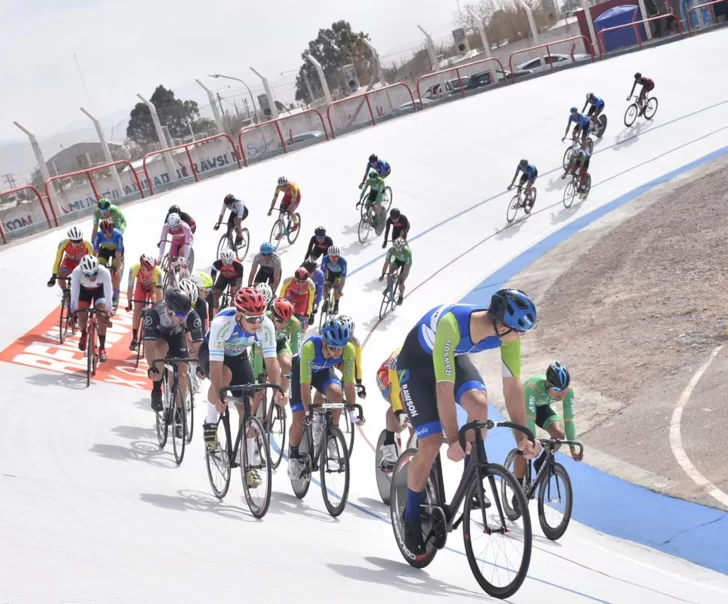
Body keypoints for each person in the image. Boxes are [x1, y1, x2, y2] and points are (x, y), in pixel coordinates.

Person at [394, 288, 541, 557]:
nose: (520, 337)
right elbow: (443, 389)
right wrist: (452, 439)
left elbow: (512, 386)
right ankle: (411, 514)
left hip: (450, 360)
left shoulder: (507, 336)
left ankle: (471, 479)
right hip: (415, 367)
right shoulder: (452, 325)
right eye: (518, 330)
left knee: (480, 405)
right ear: (500, 323)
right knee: (432, 442)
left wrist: (523, 436)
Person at [199, 288, 282, 486]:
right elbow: (217, 366)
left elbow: (272, 362)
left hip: (239, 356)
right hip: (214, 355)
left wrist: (280, 391)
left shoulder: (265, 325)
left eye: (259, 318)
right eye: (251, 319)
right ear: (238, 314)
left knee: (249, 411)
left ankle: (250, 466)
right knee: (224, 378)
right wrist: (220, 399)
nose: (257, 323)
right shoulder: (222, 323)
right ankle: (210, 424)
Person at [287, 317, 362, 480]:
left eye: (340, 348)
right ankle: (293, 456)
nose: (337, 352)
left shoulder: (349, 350)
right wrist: (308, 413)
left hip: (323, 372)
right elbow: (305, 385)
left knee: (336, 392)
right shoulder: (309, 347)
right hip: (301, 374)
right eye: (333, 347)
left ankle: (331, 434)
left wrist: (352, 411)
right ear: (324, 341)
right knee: (299, 419)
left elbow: (349, 383)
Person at [515, 361, 582, 485]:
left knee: (559, 434)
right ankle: (517, 487)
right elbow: (529, 418)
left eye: (564, 388)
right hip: (522, 407)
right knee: (524, 446)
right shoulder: (533, 387)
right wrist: (532, 442)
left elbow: (569, 420)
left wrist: (573, 447)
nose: (561, 393)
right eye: (556, 389)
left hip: (541, 407)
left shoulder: (568, 392)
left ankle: (541, 462)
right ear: (548, 384)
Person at [143, 287, 204, 414]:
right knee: (160, 350)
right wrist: (151, 367)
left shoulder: (192, 315)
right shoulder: (154, 314)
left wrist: (200, 366)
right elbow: (149, 344)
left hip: (177, 336)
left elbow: (198, 344)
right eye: (180, 315)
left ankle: (180, 413)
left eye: (185, 314)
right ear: (169, 311)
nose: (184, 318)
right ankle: (156, 391)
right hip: (159, 337)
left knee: (182, 371)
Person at [252, 297, 301, 404]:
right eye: (280, 321)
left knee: (287, 364)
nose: (284, 325)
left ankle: (280, 397)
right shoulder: (263, 321)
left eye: (287, 321)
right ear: (272, 317)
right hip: (261, 348)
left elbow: (295, 353)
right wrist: (259, 375)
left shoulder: (295, 324)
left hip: (280, 345)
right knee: (258, 389)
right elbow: (258, 352)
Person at [70, 255, 113, 361]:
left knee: (101, 316)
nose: (92, 276)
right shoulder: (76, 272)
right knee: (81, 314)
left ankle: (102, 348)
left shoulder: (104, 272)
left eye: (94, 273)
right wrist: (73, 313)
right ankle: (83, 333)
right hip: (84, 292)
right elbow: (74, 295)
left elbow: (108, 294)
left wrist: (107, 312)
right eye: (88, 274)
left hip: (100, 291)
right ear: (83, 271)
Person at [376, 347, 408, 469]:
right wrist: (399, 412)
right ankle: (389, 442)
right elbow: (395, 393)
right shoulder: (397, 359)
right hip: (387, 375)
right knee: (400, 400)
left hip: (408, 375)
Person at [126, 253, 163, 352]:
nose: (150, 272)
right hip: (140, 285)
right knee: (137, 308)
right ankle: (134, 338)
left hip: (153, 286)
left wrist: (158, 307)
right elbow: (130, 287)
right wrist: (129, 302)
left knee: (156, 306)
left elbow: (159, 292)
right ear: (142, 267)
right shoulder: (134, 269)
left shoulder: (158, 273)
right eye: (148, 269)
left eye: (152, 269)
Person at [178, 277, 206, 392]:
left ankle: (193, 375)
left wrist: (199, 360)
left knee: (192, 341)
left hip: (190, 323)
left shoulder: (201, 303)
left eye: (191, 304)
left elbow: (203, 327)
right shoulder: (172, 299)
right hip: (177, 321)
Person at [48, 226, 93, 292]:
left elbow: (91, 262)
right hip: (68, 262)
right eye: (74, 241)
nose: (77, 243)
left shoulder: (88, 245)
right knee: (60, 277)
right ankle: (65, 293)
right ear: (70, 240)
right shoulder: (64, 244)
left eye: (79, 241)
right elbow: (57, 261)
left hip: (82, 264)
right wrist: (54, 275)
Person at [93, 218, 125, 309]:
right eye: (105, 232)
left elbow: (118, 254)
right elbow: (95, 251)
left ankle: (115, 295)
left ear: (112, 229)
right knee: (99, 267)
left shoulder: (118, 235)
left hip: (116, 251)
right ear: (101, 231)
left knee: (115, 274)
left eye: (110, 231)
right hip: (105, 250)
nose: (107, 234)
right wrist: (93, 265)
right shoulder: (99, 235)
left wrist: (116, 268)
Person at [379, 237, 412, 306]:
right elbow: (386, 263)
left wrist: (401, 278)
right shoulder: (391, 250)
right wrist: (382, 275)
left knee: (401, 281)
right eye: (397, 249)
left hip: (405, 264)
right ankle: (388, 287)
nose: (399, 251)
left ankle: (401, 296)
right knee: (389, 273)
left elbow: (406, 269)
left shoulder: (408, 252)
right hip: (396, 260)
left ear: (403, 247)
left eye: (400, 249)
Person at [211, 249, 244, 316]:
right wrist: (212, 288)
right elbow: (212, 278)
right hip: (223, 277)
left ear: (232, 258)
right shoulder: (216, 264)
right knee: (215, 294)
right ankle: (215, 313)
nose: (227, 263)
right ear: (221, 259)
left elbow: (239, 281)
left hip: (235, 278)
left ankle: (231, 313)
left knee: (234, 296)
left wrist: (236, 291)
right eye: (225, 261)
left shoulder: (238, 265)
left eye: (230, 261)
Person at [320, 245, 347, 315]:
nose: (334, 259)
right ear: (329, 256)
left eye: (336, 257)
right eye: (332, 257)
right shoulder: (325, 259)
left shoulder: (343, 262)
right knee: (325, 288)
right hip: (329, 274)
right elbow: (322, 273)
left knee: (336, 288)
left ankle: (336, 305)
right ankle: (325, 301)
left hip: (338, 275)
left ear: (339, 256)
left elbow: (343, 278)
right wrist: (323, 286)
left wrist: (340, 290)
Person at [302, 257, 324, 324]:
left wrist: (316, 303)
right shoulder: (301, 272)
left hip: (316, 288)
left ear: (314, 270)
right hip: (306, 286)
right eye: (307, 273)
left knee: (315, 299)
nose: (308, 275)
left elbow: (320, 291)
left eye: (310, 272)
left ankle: (312, 313)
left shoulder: (320, 275)